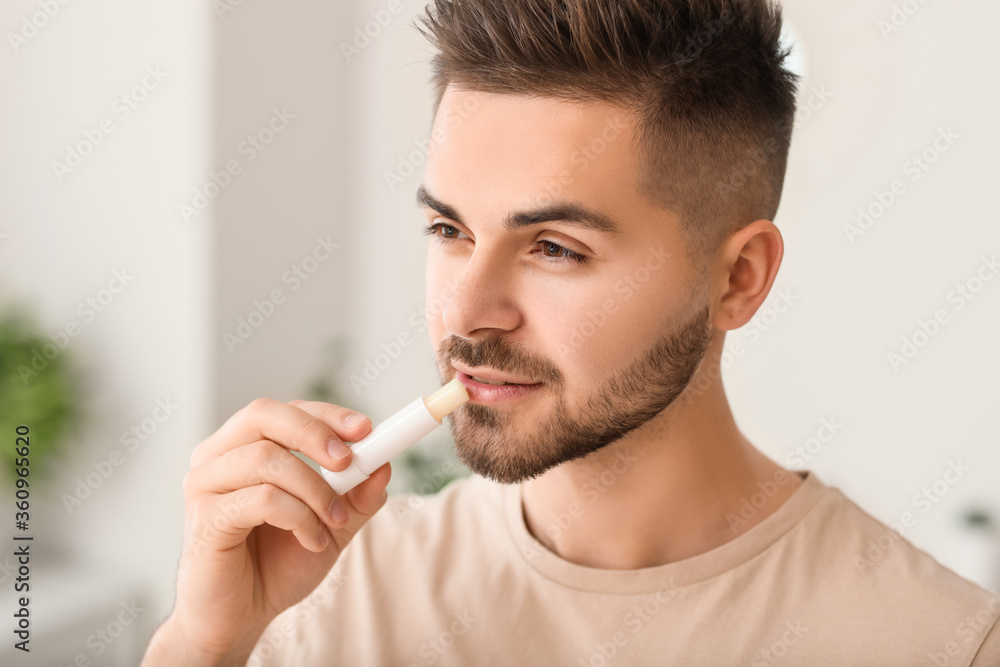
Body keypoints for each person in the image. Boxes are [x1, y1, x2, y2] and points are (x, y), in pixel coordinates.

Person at [142, 1, 1000, 664]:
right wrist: (203, 642)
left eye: (553, 248)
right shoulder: (333, 590)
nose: (467, 311)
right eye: (449, 231)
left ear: (737, 279)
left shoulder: (940, 641)